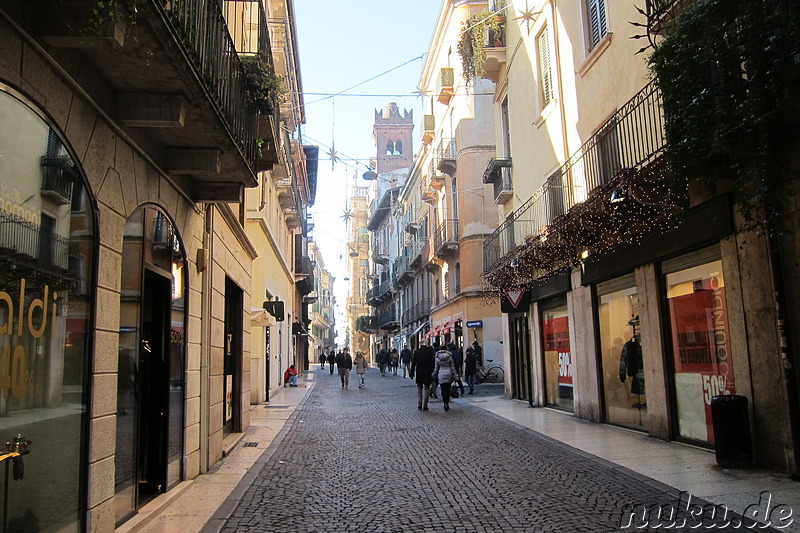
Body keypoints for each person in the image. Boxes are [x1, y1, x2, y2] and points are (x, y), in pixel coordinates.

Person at [410, 341, 435, 411]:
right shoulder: (429, 352)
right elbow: (433, 364)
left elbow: (413, 363)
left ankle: (420, 403)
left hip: (419, 372)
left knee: (419, 388)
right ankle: (425, 404)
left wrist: (411, 373)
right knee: (427, 388)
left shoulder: (417, 352)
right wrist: (432, 371)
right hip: (427, 372)